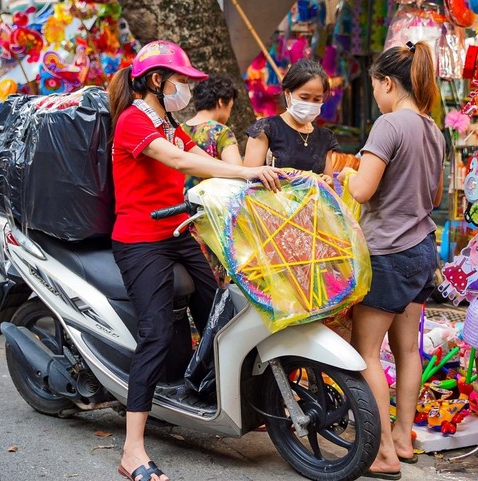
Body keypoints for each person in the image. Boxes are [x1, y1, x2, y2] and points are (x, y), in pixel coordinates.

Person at [107, 39, 284, 481]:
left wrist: (251, 184)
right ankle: (132, 450)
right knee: (155, 331)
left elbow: (202, 159)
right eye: (180, 81)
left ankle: (205, 393)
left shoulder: (168, 120)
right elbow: (182, 161)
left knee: (221, 308)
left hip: (177, 230)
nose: (185, 89)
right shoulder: (133, 121)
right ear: (155, 80)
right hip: (140, 238)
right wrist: (247, 170)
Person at [340, 41, 444, 480]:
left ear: (385, 83)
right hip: (423, 248)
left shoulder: (388, 125)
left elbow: (362, 191)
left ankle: (382, 452)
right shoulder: (433, 129)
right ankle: (403, 436)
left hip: (388, 252)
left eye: (376, 85)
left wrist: (345, 173)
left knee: (365, 351)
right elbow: (435, 197)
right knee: (406, 350)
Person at [243, 59, 339, 183]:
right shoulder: (266, 129)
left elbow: (330, 194)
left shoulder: (325, 137)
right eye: (304, 98)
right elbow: (248, 183)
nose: (310, 104)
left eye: (317, 99)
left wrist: (327, 183)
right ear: (288, 94)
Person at [182, 73, 241, 192]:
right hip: (209, 205)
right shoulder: (220, 132)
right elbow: (238, 174)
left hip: (178, 203)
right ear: (220, 102)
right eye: (230, 108)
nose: (228, 114)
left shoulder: (178, 129)